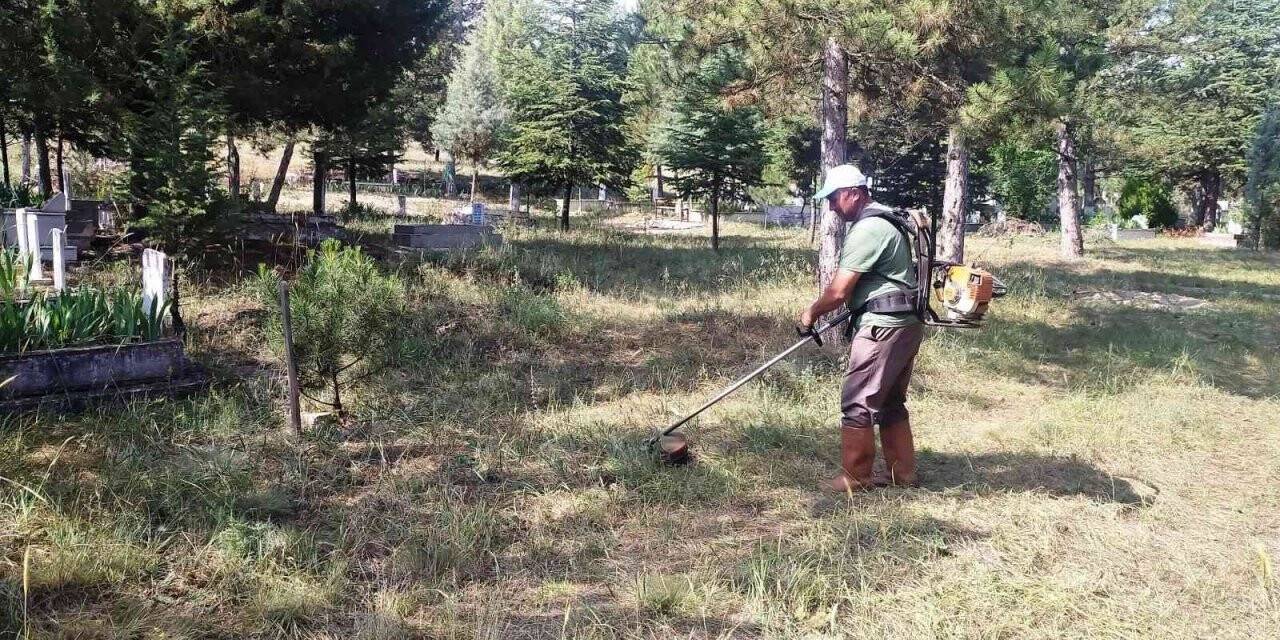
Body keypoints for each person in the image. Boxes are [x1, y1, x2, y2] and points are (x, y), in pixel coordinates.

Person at [799, 164, 924, 492]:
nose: (830, 206)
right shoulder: (887, 221)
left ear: (853, 193)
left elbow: (838, 292)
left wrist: (811, 312)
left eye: (833, 198)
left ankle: (855, 477)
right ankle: (902, 474)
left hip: (882, 328)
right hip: (905, 323)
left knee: (857, 402)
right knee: (890, 402)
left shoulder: (868, 229)